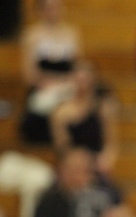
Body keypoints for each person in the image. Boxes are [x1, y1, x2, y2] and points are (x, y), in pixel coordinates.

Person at [19, 0, 82, 143]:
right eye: (49, 8)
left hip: (68, 86)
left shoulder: (72, 33)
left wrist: (67, 82)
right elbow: (28, 75)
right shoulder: (32, 35)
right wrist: (47, 82)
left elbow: (78, 68)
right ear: (40, 11)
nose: (54, 12)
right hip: (43, 87)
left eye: (57, 7)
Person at [50, 60, 120, 178]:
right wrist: (76, 162)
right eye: (78, 77)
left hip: (96, 164)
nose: (82, 81)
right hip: (71, 165)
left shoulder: (103, 108)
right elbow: (62, 147)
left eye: (85, 76)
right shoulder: (61, 112)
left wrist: (105, 160)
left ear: (93, 79)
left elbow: (111, 144)